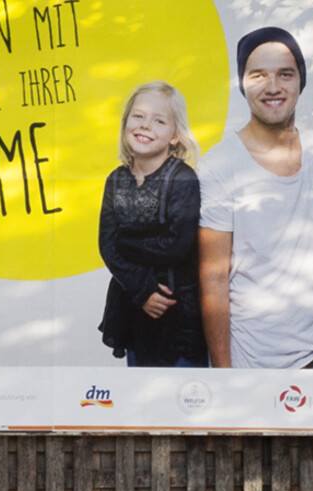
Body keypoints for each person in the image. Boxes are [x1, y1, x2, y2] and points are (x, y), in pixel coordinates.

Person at [198, 26, 313, 369]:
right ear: (242, 83)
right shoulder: (219, 165)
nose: (273, 87)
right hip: (250, 361)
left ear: (301, 80)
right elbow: (213, 278)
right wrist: (224, 371)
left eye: (285, 74)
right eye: (258, 75)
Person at [97, 81, 208, 367]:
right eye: (138, 116)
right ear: (125, 124)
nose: (146, 125)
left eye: (159, 121)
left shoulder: (182, 179)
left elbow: (176, 245)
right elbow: (108, 246)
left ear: (175, 136)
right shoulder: (115, 180)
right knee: (140, 386)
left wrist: (126, 242)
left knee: (181, 386)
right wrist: (143, 290)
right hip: (134, 304)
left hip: (177, 311)